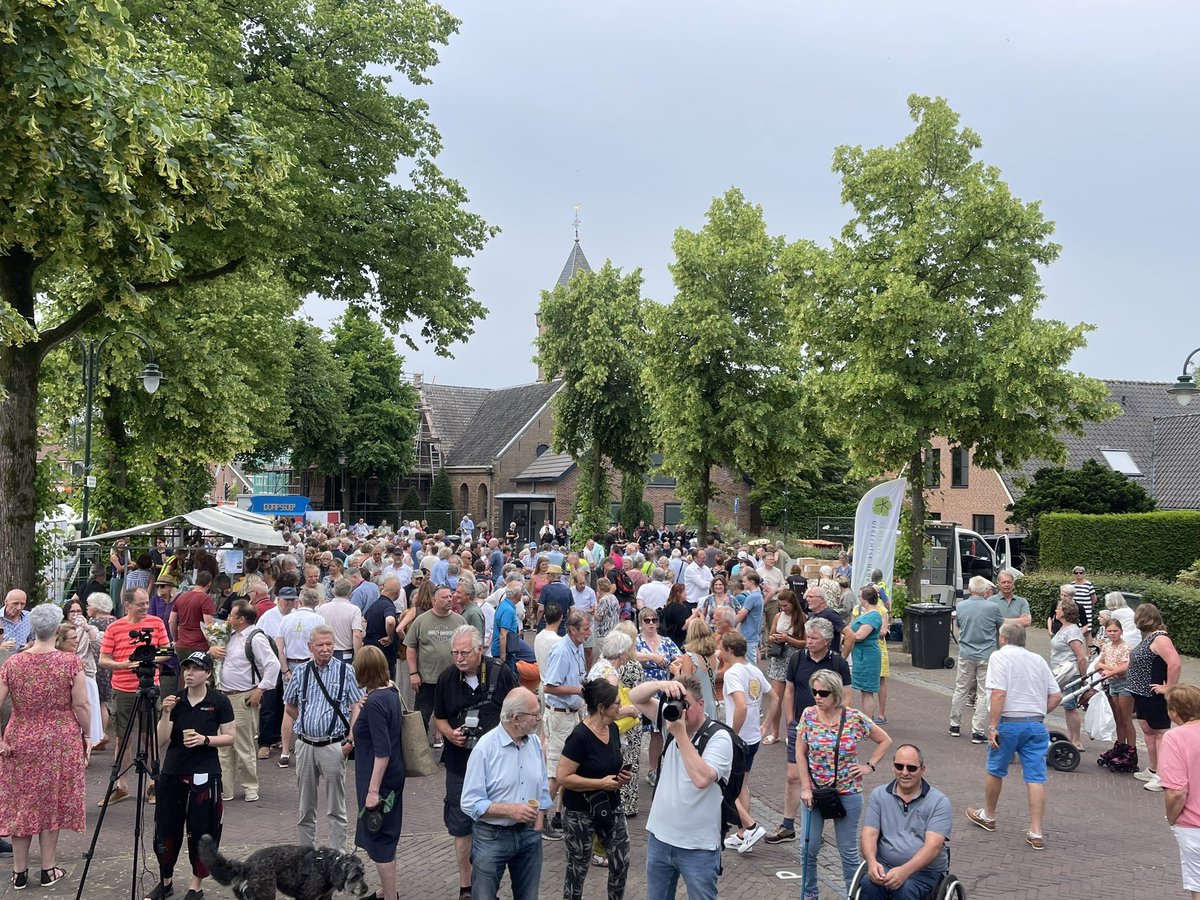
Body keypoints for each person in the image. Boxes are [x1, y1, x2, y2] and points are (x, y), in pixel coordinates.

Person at [0, 603, 89, 889]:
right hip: (59, 739)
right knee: (51, 801)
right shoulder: (69, 662)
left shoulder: (13, 662)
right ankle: (48, 869)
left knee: (21, 803)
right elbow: (81, 704)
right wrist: (87, 734)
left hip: (20, 736)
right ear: (56, 629)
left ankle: (19, 873)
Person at [628, 673, 732, 900]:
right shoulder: (670, 720)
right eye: (677, 705)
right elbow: (635, 696)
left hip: (698, 847)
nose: (681, 712)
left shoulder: (719, 738)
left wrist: (680, 735)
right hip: (660, 839)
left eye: (687, 706)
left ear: (702, 704)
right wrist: (660, 685)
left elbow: (702, 778)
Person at [434, 626, 518, 900]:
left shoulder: (500, 672)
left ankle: (489, 885)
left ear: (479, 649)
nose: (459, 658)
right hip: (460, 765)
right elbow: (440, 718)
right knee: (460, 827)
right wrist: (450, 734)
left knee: (494, 826)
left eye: (464, 653)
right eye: (455, 653)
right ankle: (466, 887)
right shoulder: (447, 678)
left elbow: (517, 710)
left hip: (495, 768)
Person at [966, 622, 1062, 851]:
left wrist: (992, 726)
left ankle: (988, 815)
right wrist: (1038, 711)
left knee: (996, 769)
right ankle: (1036, 831)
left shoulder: (1000, 657)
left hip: (1009, 723)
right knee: (1036, 777)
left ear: (1003, 638)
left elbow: (999, 693)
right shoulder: (1038, 659)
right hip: (1035, 724)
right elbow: (1057, 695)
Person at [147, 652, 235, 900]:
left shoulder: (219, 701)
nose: (189, 673)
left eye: (196, 669)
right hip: (173, 770)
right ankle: (166, 881)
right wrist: (165, 713)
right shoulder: (175, 701)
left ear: (207, 673)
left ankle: (196, 885)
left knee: (202, 830)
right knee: (166, 827)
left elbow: (230, 737)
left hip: (205, 772)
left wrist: (205, 739)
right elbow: (161, 740)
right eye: (187, 668)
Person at [797, 669, 892, 900]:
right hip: (816, 792)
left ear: (836, 693)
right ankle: (810, 894)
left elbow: (885, 740)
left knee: (847, 850)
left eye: (823, 693)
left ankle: (853, 895)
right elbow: (800, 753)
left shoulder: (854, 718)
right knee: (807, 849)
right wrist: (806, 787)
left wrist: (869, 765)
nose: (817, 697)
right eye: (814, 691)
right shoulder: (808, 715)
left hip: (847, 792)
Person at [460, 687, 552, 900]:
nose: (539, 718)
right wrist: (510, 810)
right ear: (516, 718)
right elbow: (469, 802)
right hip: (491, 837)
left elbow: (543, 787)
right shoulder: (485, 748)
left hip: (529, 836)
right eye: (535, 713)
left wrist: (539, 824)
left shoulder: (535, 743)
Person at [282, 624, 364, 850]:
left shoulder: (345, 671)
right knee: (305, 806)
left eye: (329, 644)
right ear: (310, 647)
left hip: (333, 745)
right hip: (306, 745)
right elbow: (289, 705)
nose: (325, 649)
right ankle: (306, 854)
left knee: (336, 807)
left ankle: (338, 854)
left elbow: (357, 705)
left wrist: (350, 738)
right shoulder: (300, 672)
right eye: (320, 645)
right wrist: (305, 721)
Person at [557, 678, 632, 900]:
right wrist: (600, 784)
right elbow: (564, 777)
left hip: (611, 806)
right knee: (578, 867)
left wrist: (621, 776)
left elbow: (611, 764)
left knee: (621, 862)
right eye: (617, 703)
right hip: (581, 812)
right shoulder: (579, 737)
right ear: (602, 708)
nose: (621, 706)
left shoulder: (613, 730)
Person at [98, 586, 169, 803]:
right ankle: (121, 785)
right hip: (123, 688)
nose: (146, 607)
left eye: (147, 602)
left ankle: (153, 784)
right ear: (127, 605)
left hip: (150, 686)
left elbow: (167, 650)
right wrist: (125, 665)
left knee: (150, 736)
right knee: (122, 737)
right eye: (141, 604)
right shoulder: (115, 627)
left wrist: (151, 660)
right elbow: (103, 659)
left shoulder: (156, 623)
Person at [859, 744, 953, 900]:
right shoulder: (879, 795)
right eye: (899, 766)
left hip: (924, 873)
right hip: (885, 866)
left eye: (911, 768)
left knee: (904, 891)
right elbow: (869, 834)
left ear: (923, 769)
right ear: (893, 767)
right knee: (869, 884)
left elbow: (933, 847)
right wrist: (872, 862)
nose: (904, 772)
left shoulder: (939, 802)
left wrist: (904, 871)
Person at [210, 599, 279, 803]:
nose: (228, 618)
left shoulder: (255, 638)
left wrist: (260, 689)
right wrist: (211, 651)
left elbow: (272, 665)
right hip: (223, 696)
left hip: (242, 697)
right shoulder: (229, 636)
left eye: (231, 615)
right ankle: (226, 788)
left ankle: (250, 787)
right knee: (223, 746)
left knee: (243, 745)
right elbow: (219, 659)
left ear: (241, 619)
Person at [352, 646, 406, 900]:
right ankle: (387, 890)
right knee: (387, 834)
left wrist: (373, 791)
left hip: (379, 781)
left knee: (379, 838)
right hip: (394, 776)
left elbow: (381, 751)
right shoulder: (391, 691)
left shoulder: (374, 703)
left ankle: (390, 895)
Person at [718, 631, 775, 855]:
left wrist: (731, 734)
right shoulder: (754, 669)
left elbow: (740, 705)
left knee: (725, 784)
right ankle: (742, 834)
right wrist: (766, 724)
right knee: (742, 785)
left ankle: (750, 826)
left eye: (722, 649)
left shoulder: (733, 673)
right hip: (753, 737)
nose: (720, 653)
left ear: (730, 651)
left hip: (739, 738)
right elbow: (775, 698)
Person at [542, 609, 591, 840]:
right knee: (556, 773)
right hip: (559, 716)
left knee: (570, 768)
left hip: (572, 714)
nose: (588, 632)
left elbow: (578, 677)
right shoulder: (562, 650)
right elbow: (549, 686)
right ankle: (538, 821)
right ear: (572, 630)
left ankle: (559, 816)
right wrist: (577, 690)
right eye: (585, 628)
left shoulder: (578, 646)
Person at [1128, 603, 1182, 792]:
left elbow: (1174, 663)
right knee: (1148, 729)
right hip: (1141, 693)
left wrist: (1169, 688)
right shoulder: (1149, 638)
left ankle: (1163, 776)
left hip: (1153, 694)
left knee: (1160, 733)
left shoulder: (1161, 639)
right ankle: (1153, 768)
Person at [947, 576, 1005, 743]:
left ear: (970, 589)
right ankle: (978, 731)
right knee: (983, 693)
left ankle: (955, 724)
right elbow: (1001, 626)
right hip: (986, 655)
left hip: (966, 653)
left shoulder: (961, 606)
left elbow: (959, 626)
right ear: (985, 590)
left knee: (961, 689)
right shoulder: (993, 607)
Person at [404, 585, 466, 734]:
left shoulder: (459, 621)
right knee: (421, 719)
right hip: (427, 680)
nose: (449, 600)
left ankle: (449, 753)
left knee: (454, 718)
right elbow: (410, 647)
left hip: (454, 679)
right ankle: (419, 754)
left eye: (450, 597)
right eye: (445, 597)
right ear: (434, 600)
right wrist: (413, 673)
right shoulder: (421, 621)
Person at [635, 607, 681, 782]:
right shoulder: (637, 641)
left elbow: (681, 657)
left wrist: (673, 662)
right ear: (641, 623)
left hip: (660, 693)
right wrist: (653, 657)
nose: (651, 623)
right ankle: (630, 768)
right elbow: (630, 656)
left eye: (654, 620)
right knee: (636, 730)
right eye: (647, 620)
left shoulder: (666, 641)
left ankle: (652, 769)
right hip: (640, 692)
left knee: (657, 732)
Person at [763, 588, 805, 744]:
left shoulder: (802, 618)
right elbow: (769, 636)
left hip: (794, 659)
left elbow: (805, 643)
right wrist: (774, 638)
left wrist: (789, 639)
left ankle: (791, 732)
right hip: (779, 659)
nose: (783, 608)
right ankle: (775, 732)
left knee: (793, 699)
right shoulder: (778, 616)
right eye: (781, 606)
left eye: (786, 605)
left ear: (793, 604)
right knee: (776, 698)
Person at [1048, 597, 1089, 749]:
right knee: (1067, 706)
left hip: (1070, 673)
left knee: (1071, 706)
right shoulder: (1064, 629)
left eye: (1058, 608)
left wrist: (1084, 680)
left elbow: (1081, 657)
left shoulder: (1072, 631)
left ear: (1064, 612)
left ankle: (1077, 740)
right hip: (1062, 673)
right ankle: (1071, 737)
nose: (1056, 611)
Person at [614, 621, 645, 818]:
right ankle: (628, 803)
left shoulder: (611, 663)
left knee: (618, 759)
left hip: (617, 718)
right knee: (631, 761)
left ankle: (617, 799)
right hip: (632, 717)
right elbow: (639, 692)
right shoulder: (633, 665)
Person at [846, 584, 886, 724]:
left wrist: (848, 636)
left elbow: (860, 635)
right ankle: (866, 721)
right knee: (864, 690)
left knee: (868, 691)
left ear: (865, 599)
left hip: (868, 655)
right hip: (862, 654)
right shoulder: (867, 613)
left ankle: (867, 723)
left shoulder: (873, 615)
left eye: (860, 596)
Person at [674, 618, 718, 721]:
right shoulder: (714, 656)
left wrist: (676, 672)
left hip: (696, 706)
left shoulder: (689, 657)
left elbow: (684, 687)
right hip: (711, 704)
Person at [734, 570, 764, 665]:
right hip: (754, 634)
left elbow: (741, 616)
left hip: (749, 635)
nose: (743, 583)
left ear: (752, 582)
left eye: (745, 581)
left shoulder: (752, 597)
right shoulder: (758, 595)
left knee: (750, 665)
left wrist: (729, 622)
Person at [1071, 565, 1097, 645]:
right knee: (1075, 632)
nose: (1078, 574)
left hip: (1086, 611)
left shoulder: (1088, 584)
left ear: (1084, 573)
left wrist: (1089, 607)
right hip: (1075, 611)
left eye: (1081, 572)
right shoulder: (1072, 585)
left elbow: (1094, 598)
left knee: (1087, 632)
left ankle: (1088, 654)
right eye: (1076, 573)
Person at [659, 583, 691, 648]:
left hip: (671, 637)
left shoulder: (670, 605)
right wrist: (694, 615)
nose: (686, 593)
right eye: (684, 591)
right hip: (678, 640)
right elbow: (683, 626)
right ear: (679, 593)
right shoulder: (677, 607)